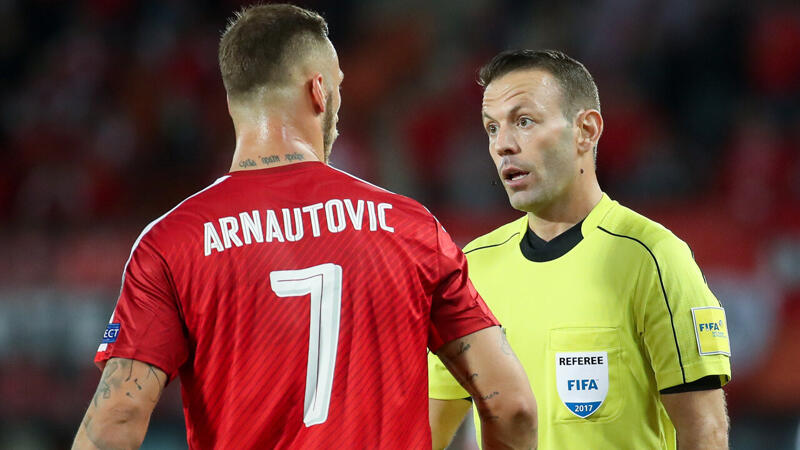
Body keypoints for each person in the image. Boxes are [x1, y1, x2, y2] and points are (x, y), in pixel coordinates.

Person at [71, 5, 537, 449]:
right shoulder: (412, 230)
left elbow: (117, 422)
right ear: (318, 90)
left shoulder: (171, 243)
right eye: (337, 84)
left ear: (234, 99)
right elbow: (513, 407)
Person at [428, 49, 731, 450]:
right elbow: (425, 431)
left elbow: (705, 432)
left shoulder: (653, 257)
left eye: (523, 121)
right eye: (491, 128)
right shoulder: (474, 267)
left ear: (586, 130)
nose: (502, 145)